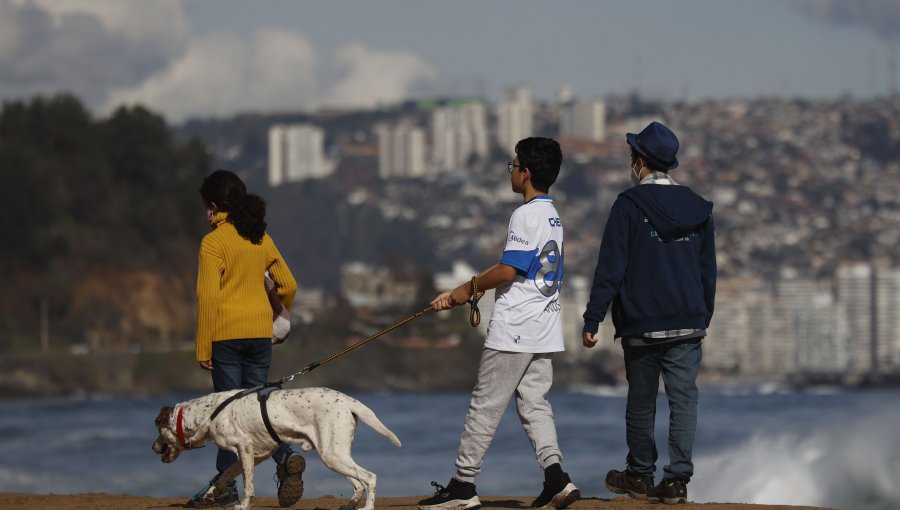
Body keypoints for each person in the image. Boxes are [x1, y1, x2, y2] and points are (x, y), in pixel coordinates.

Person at [418, 137, 580, 510]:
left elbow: (510, 269)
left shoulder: (525, 215)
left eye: (514, 166)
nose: (511, 172)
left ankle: (463, 486)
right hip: (543, 327)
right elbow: (515, 266)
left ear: (526, 173)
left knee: (485, 405)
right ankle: (557, 478)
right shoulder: (553, 215)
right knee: (535, 404)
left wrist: (467, 288)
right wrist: (469, 288)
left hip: (516, 328)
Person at [581, 121, 716, 505]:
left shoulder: (628, 205)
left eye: (632, 157)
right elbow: (709, 271)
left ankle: (640, 474)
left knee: (642, 401)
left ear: (640, 162)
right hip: (688, 322)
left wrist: (593, 319)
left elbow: (610, 268)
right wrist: (702, 316)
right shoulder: (699, 207)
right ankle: (677, 481)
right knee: (683, 400)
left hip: (642, 324)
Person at [189, 169, 304, 508]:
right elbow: (289, 285)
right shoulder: (259, 238)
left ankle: (225, 489)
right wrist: (277, 316)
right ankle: (285, 458)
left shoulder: (213, 243)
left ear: (212, 206)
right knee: (260, 408)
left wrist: (203, 345)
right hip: (258, 336)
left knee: (228, 415)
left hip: (226, 337)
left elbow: (207, 298)